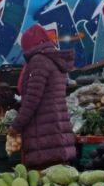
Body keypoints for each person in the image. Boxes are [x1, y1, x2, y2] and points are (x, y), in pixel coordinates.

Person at [9, 25, 76, 169]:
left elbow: (31, 101)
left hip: (44, 138)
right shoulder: (53, 60)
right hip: (56, 133)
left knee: (42, 185)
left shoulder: (39, 61)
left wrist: (16, 126)